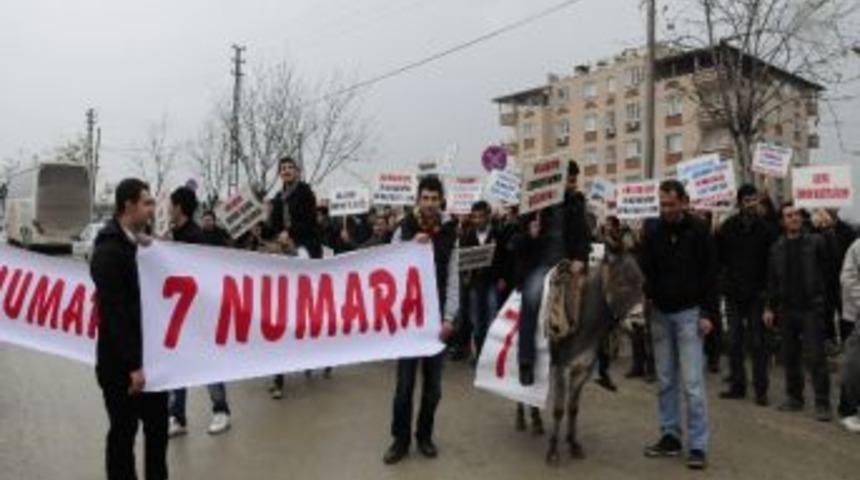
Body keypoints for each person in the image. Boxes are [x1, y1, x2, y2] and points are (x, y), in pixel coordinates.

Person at [90, 178, 167, 480]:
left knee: (157, 431)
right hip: (122, 367)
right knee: (123, 434)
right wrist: (134, 366)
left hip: (152, 361)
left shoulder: (139, 243)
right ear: (128, 205)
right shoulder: (109, 252)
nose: (152, 209)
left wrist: (153, 247)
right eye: (146, 202)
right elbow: (116, 315)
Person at [639, 180, 717, 471]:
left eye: (671, 204)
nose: (666, 210)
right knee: (666, 381)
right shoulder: (653, 230)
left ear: (684, 201)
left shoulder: (699, 231)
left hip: (690, 315)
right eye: (662, 205)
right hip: (660, 314)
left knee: (693, 384)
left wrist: (709, 314)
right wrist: (644, 296)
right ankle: (670, 436)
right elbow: (646, 269)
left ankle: (697, 445)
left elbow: (710, 275)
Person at [383, 176, 458, 465]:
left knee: (433, 387)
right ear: (418, 200)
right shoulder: (403, 230)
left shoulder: (451, 233)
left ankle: (424, 436)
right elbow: (389, 269)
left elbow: (453, 278)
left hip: (436, 323)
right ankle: (399, 440)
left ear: (441, 200)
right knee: (403, 386)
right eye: (424, 198)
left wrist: (450, 318)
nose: (429, 204)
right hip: (408, 324)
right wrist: (409, 247)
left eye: (433, 198)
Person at [516, 160, 590, 386]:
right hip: (540, 266)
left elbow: (583, 236)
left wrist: (580, 258)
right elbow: (517, 243)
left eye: (575, 180)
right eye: (570, 180)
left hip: (567, 265)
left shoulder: (577, 203)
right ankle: (526, 361)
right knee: (530, 299)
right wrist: (530, 234)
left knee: (590, 303)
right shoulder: (534, 205)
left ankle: (591, 359)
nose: (573, 184)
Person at [165, 187, 232, 438]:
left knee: (207, 363)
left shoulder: (195, 238)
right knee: (178, 364)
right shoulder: (174, 235)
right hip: (178, 314)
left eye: (171, 205)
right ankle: (178, 416)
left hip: (199, 314)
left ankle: (221, 411)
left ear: (180, 208)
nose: (168, 210)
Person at [764, 203, 833, 422]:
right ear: (783, 221)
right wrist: (769, 307)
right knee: (790, 357)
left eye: (795, 214)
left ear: (801, 218)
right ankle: (794, 398)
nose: (793, 218)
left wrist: (828, 229)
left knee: (816, 357)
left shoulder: (816, 241)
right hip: (786, 309)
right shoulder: (777, 248)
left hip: (811, 308)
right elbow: (772, 281)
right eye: (788, 215)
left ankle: (822, 403)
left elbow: (831, 262)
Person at [716, 184, 778, 406]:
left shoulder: (767, 230)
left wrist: (768, 296)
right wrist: (725, 283)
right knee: (733, 342)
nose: (752, 204)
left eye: (755, 199)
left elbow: (772, 266)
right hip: (733, 294)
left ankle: (761, 390)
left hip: (757, 296)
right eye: (748, 200)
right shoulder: (728, 227)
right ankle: (737, 386)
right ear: (740, 202)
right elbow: (719, 258)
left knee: (758, 344)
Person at [266, 156, 322, 398]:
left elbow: (310, 223)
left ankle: (310, 354)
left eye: (290, 168)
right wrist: (263, 226)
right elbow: (273, 227)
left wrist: (291, 233)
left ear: (298, 172)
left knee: (304, 313)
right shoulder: (277, 199)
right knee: (280, 315)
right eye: (283, 169)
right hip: (284, 253)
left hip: (303, 251)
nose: (287, 171)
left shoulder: (306, 193)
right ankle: (279, 377)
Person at [460, 201, 504, 357]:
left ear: (488, 217)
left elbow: (504, 258)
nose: (478, 220)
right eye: (475, 217)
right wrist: (466, 275)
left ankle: (491, 354)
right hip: (475, 283)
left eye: (481, 217)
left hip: (492, 281)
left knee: (492, 317)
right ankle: (478, 353)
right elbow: (463, 260)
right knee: (476, 319)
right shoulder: (468, 235)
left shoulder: (498, 234)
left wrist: (502, 278)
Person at [839, 237, 860, 432]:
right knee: (854, 364)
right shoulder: (857, 246)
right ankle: (851, 409)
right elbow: (848, 279)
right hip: (857, 316)